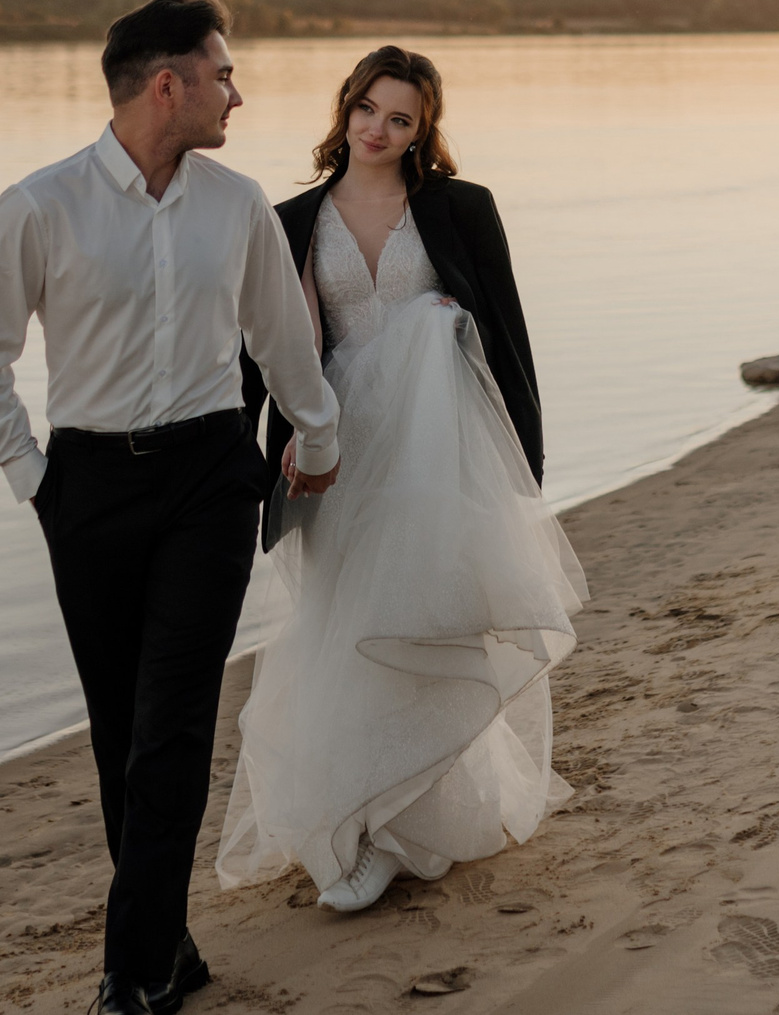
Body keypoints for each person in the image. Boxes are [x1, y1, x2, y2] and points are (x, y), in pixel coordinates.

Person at [0, 0, 340, 1015]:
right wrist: (35, 478)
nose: (236, 92)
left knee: (173, 718)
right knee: (122, 725)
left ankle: (129, 973)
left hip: (210, 476)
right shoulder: (39, 206)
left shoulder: (238, 202)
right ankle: (168, 945)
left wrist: (318, 430)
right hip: (89, 487)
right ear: (166, 82)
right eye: (222, 73)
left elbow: (277, 335)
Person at [216, 45, 586, 913]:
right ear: (344, 109)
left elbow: (508, 335)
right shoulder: (291, 218)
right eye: (367, 110)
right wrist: (247, 460)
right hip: (339, 459)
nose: (378, 130)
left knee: (424, 628)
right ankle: (358, 824)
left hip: (441, 456)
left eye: (400, 118)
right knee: (344, 632)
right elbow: (272, 350)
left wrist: (522, 466)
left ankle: (411, 823)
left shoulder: (461, 209)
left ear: (424, 129)